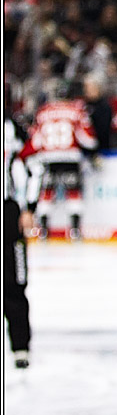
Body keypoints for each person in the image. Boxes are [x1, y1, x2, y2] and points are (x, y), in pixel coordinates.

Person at [18, 96, 97, 241]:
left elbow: (36, 140)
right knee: (74, 194)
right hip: (70, 157)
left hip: (48, 158)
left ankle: (43, 231)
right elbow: (88, 139)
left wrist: (24, 154)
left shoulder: (43, 112)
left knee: (46, 195)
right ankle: (74, 230)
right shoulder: (76, 110)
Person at [4, 107, 36, 369]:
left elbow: (31, 166)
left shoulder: (11, 128)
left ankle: (20, 347)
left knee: (14, 282)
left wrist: (28, 207)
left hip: (8, 210)